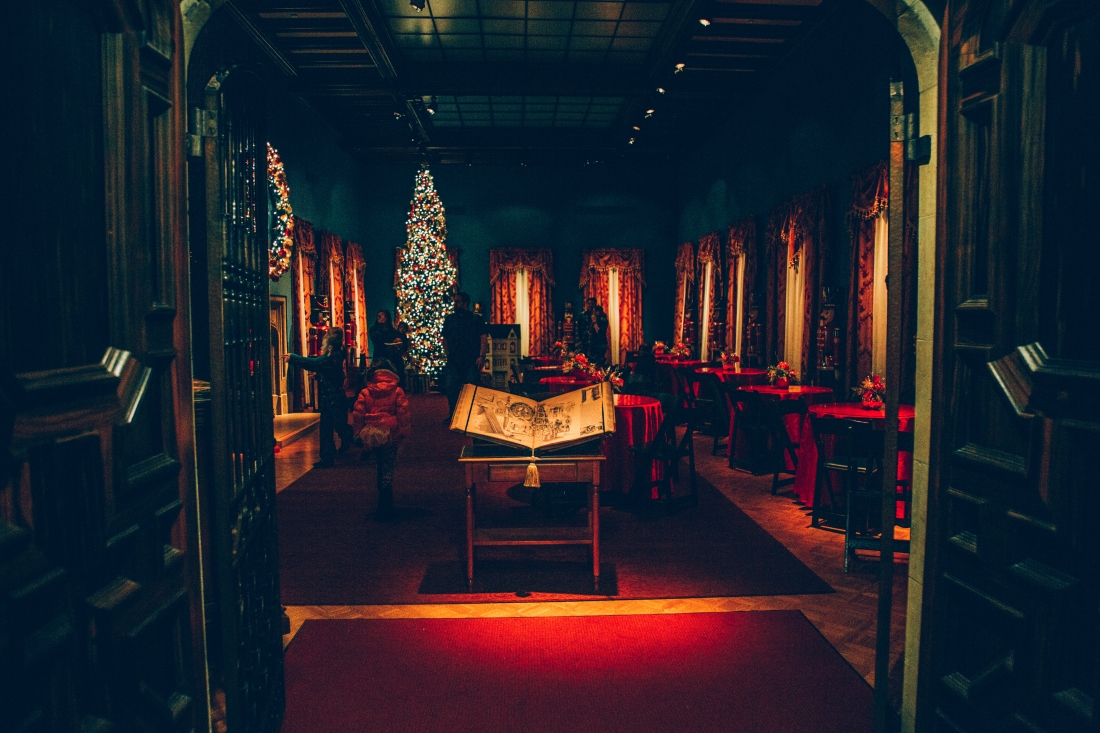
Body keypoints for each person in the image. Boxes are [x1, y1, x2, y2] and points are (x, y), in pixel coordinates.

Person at [285, 327, 354, 468]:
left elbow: (314, 363)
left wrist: (293, 358)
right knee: (332, 426)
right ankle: (331, 453)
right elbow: (331, 372)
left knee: (328, 427)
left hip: (332, 399)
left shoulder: (330, 358)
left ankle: (348, 444)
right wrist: (318, 375)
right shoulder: (337, 355)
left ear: (329, 346)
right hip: (335, 397)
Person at [351, 365, 411, 518]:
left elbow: (358, 413)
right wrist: (403, 431)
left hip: (373, 431)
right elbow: (403, 412)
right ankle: (387, 494)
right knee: (389, 463)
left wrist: (358, 432)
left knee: (378, 462)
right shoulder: (397, 390)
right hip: (391, 431)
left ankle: (382, 494)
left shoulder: (366, 391)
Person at [442, 291, 487, 420]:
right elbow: (445, 338)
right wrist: (448, 353)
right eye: (454, 301)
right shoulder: (449, 319)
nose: (455, 304)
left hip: (471, 360)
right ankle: (453, 414)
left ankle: (471, 415)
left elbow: (483, 338)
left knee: (472, 388)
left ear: (465, 303)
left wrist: (481, 356)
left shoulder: (476, 319)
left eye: (457, 301)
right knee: (451, 388)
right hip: (454, 360)